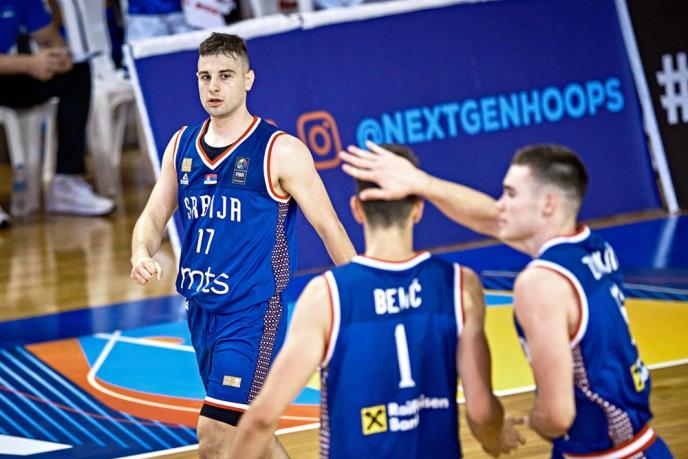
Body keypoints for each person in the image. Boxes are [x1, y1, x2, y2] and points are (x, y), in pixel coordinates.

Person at [340, 142, 674, 458]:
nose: (500, 204)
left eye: (511, 194)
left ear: (548, 204)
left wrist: (535, 419)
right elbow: (490, 218)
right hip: (633, 442)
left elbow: (558, 416)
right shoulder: (593, 247)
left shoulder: (540, 282)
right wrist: (422, 183)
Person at [130, 32, 355, 457]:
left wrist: (363, 296)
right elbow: (153, 216)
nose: (213, 86)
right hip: (201, 310)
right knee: (249, 435)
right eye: (205, 76)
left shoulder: (280, 151)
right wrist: (141, 251)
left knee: (215, 434)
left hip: (253, 312)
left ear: (248, 80)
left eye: (225, 76)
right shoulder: (182, 145)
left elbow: (330, 227)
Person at [230, 144, 524, 458]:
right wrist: (493, 437)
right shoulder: (460, 285)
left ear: (357, 209)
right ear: (418, 208)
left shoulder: (326, 296)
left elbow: (261, 419)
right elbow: (481, 412)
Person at [0, 0, 115, 221]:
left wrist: (61, 58)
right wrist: (29, 64)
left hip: (10, 76)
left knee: (77, 73)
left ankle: (66, 183)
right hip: (13, 67)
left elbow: (49, 37)